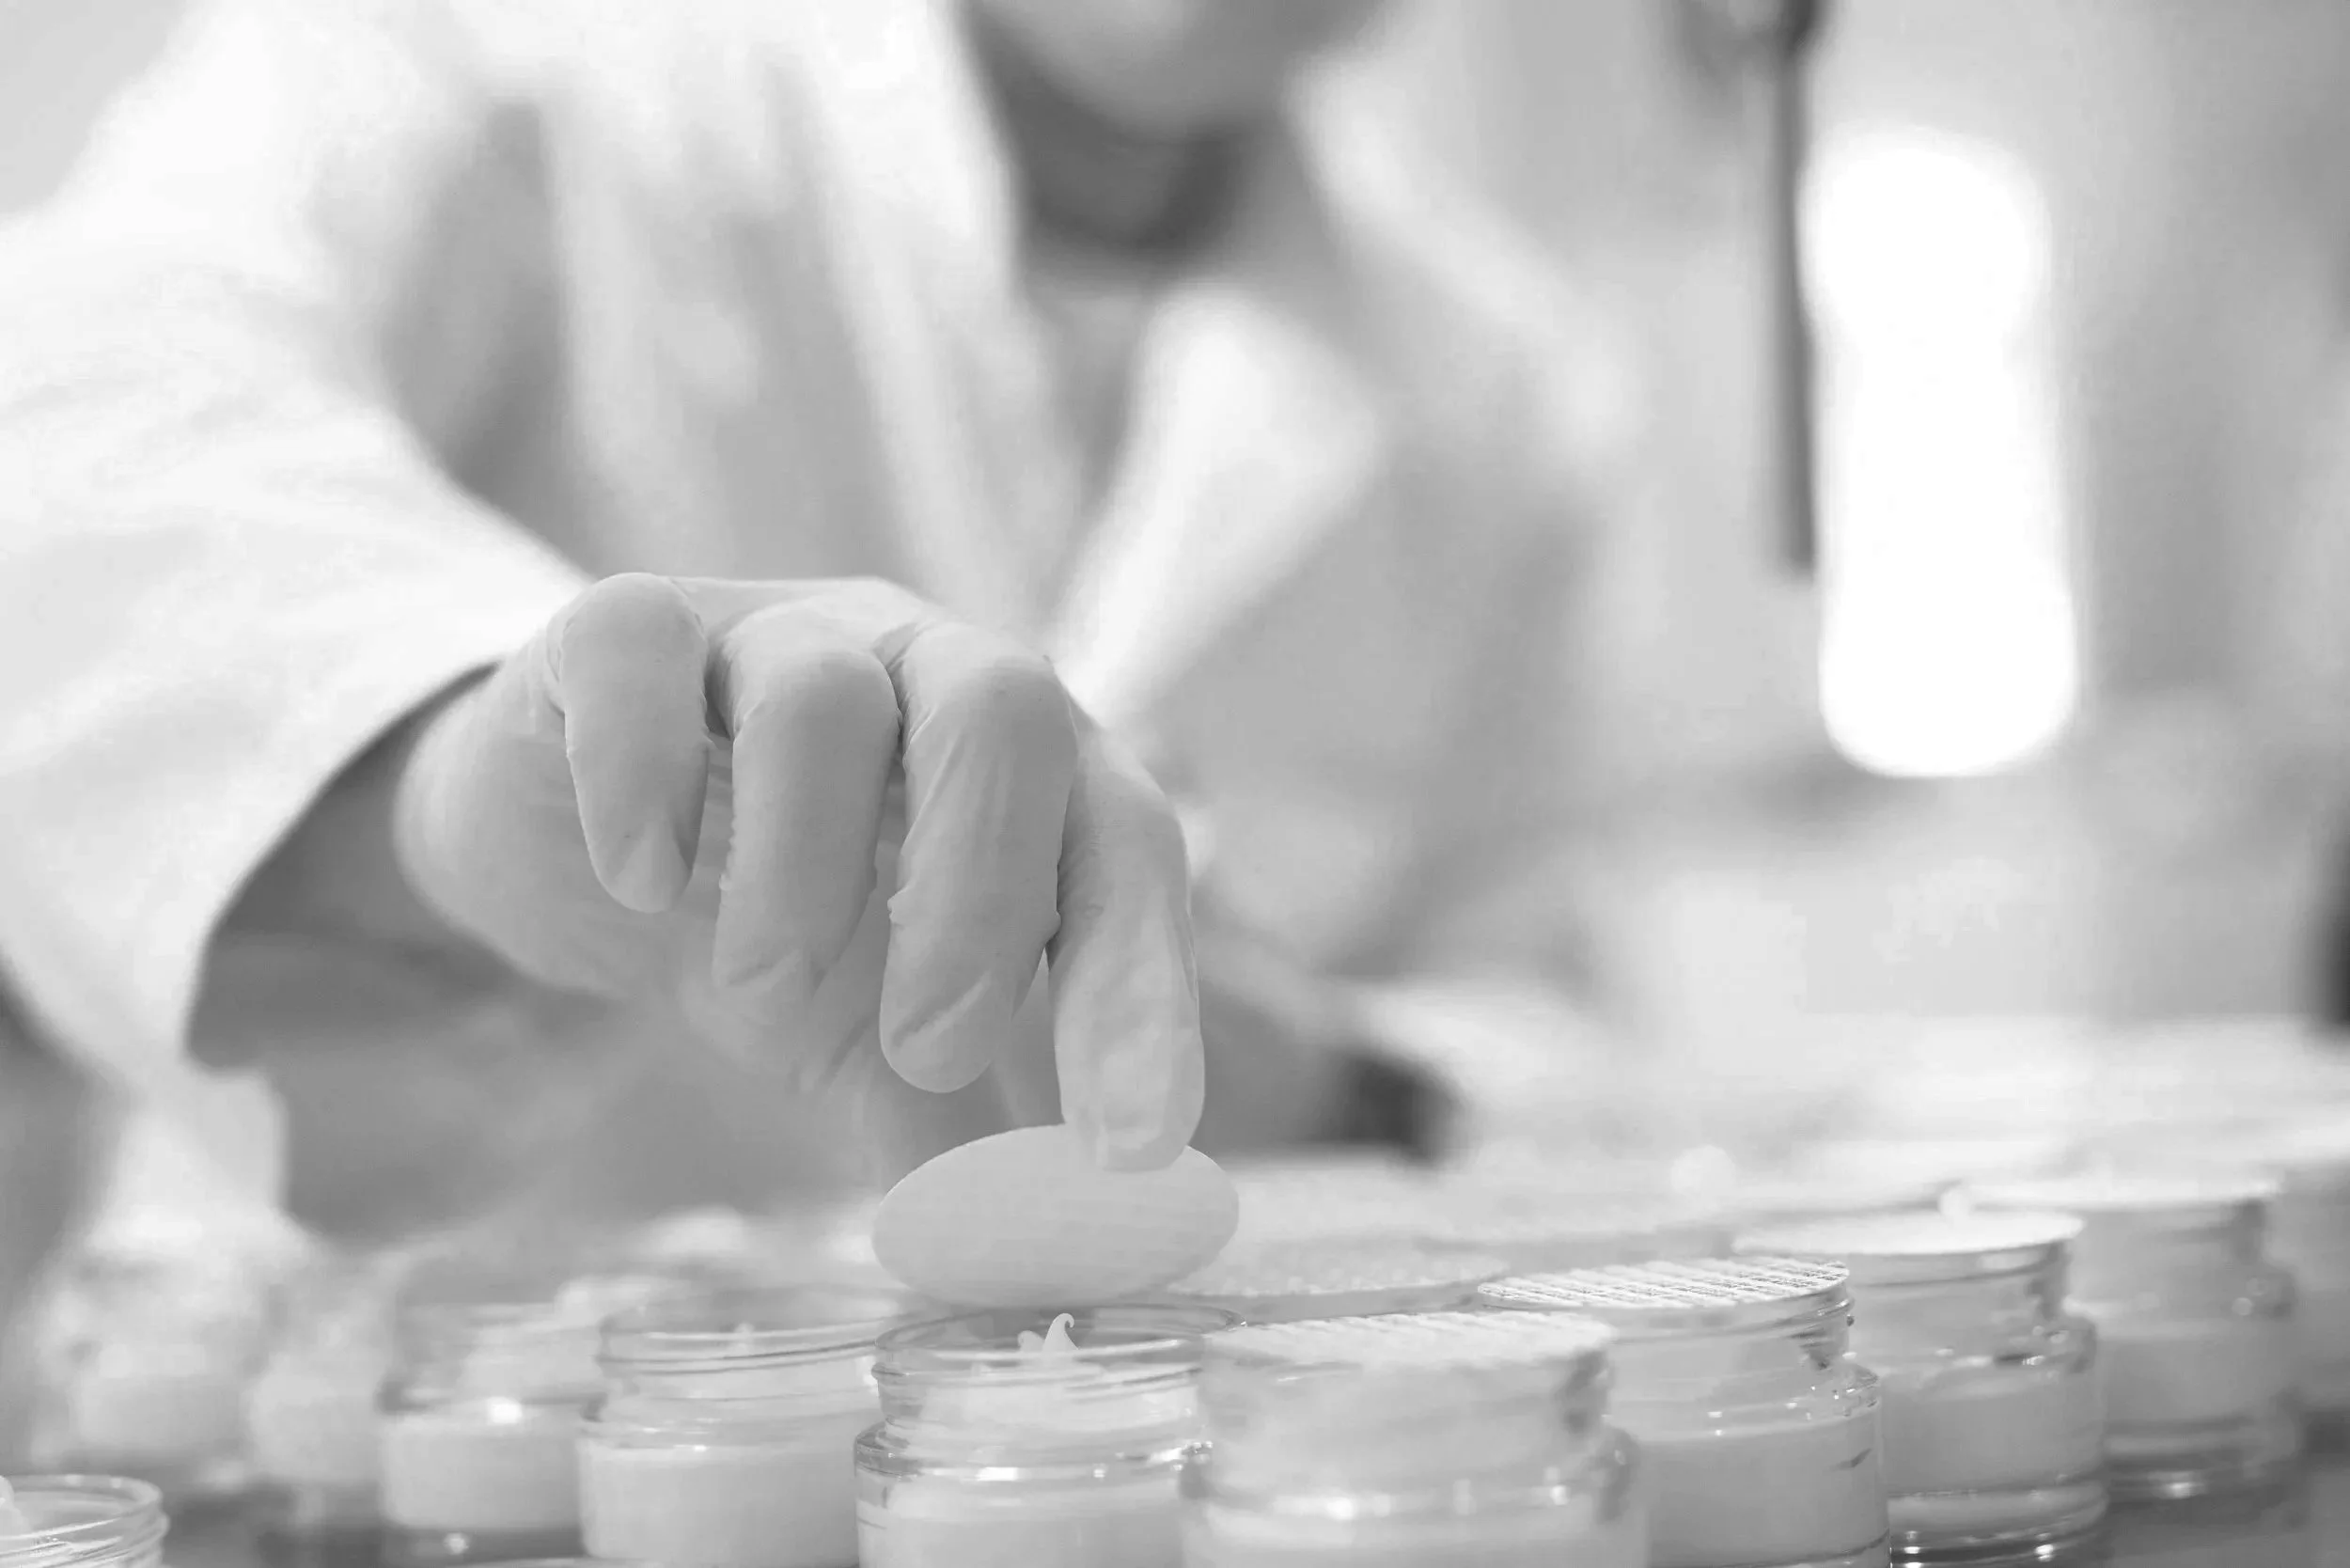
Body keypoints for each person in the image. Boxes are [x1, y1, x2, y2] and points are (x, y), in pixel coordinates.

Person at [0, 0, 1619, 1246]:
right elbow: (75, 426)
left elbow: (1527, 999)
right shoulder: (500, 54)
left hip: (1119, 1468)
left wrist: (1335, 1076)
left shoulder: (1499, 384)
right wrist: (428, 764)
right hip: (400, 1441)